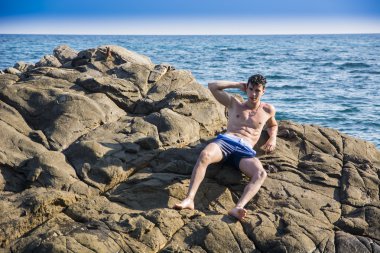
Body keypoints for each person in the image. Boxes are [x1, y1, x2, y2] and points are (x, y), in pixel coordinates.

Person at [173, 74, 278, 220]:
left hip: (244, 152)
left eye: (257, 91)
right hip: (225, 143)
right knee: (205, 155)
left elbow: (273, 124)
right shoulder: (235, 103)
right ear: (246, 88)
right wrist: (237, 84)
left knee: (261, 174)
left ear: (263, 91)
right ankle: (189, 199)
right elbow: (212, 86)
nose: (253, 94)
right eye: (251, 89)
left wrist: (272, 138)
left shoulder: (268, 110)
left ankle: (238, 207)